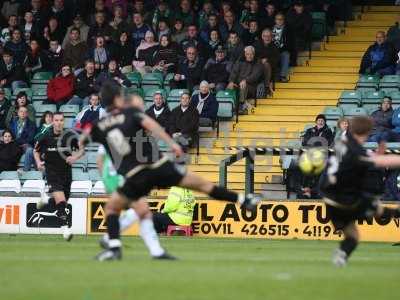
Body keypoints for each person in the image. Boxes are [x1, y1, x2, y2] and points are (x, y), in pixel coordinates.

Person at [71, 82, 260, 260]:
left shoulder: (97, 127)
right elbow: (152, 125)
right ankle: (243, 200)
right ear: (119, 99)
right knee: (202, 185)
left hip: (134, 177)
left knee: (112, 208)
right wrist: (172, 144)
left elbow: (81, 142)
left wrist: (76, 156)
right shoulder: (131, 112)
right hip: (159, 166)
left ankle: (114, 247)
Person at [319, 116, 400, 267]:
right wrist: (379, 158)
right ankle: (396, 213)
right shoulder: (355, 150)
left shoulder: (342, 143)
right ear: (369, 132)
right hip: (346, 199)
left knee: (353, 236)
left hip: (329, 198)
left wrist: (375, 156)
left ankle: (341, 255)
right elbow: (383, 162)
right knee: (377, 208)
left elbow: (357, 161)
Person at [34, 112, 79, 241]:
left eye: (61, 120)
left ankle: (46, 199)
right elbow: (35, 151)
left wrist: (74, 157)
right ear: (52, 121)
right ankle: (65, 229)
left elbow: (81, 148)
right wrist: (38, 162)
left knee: (63, 201)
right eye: (56, 120)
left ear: (63, 122)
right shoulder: (45, 136)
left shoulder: (69, 136)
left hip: (66, 173)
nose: (59, 123)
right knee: (61, 202)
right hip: (51, 172)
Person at [227, 46, 264, 114]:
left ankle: (241, 106)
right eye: (247, 54)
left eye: (251, 54)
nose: (249, 56)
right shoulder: (240, 61)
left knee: (243, 85)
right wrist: (231, 81)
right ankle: (229, 107)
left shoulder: (258, 63)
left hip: (251, 87)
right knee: (229, 86)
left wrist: (245, 80)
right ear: (245, 54)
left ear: (254, 54)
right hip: (238, 84)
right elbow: (234, 72)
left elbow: (255, 76)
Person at [9, 106, 36, 171]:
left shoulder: (31, 124)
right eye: (21, 111)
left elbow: (31, 138)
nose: (23, 113)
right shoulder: (12, 123)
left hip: (25, 145)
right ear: (18, 113)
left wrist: (18, 142)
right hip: (14, 145)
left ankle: (25, 171)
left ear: (27, 114)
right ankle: (10, 171)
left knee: (30, 150)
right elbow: (10, 135)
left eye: (25, 112)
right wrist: (15, 142)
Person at [272, 13, 294, 82]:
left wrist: (280, 50)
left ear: (284, 20)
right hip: (271, 50)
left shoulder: (288, 29)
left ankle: (283, 76)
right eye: (277, 19)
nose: (279, 21)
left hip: (282, 50)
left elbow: (290, 43)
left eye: (281, 19)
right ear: (275, 20)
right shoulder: (270, 28)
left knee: (286, 54)